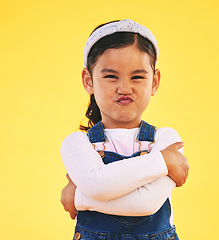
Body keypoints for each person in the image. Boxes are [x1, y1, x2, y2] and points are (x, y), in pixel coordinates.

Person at [60, 19, 189, 240]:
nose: (125, 88)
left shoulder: (167, 139)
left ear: (155, 82)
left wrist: (79, 198)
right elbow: (98, 185)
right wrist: (163, 162)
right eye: (111, 76)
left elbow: (146, 203)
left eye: (137, 77)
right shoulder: (77, 143)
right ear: (88, 80)